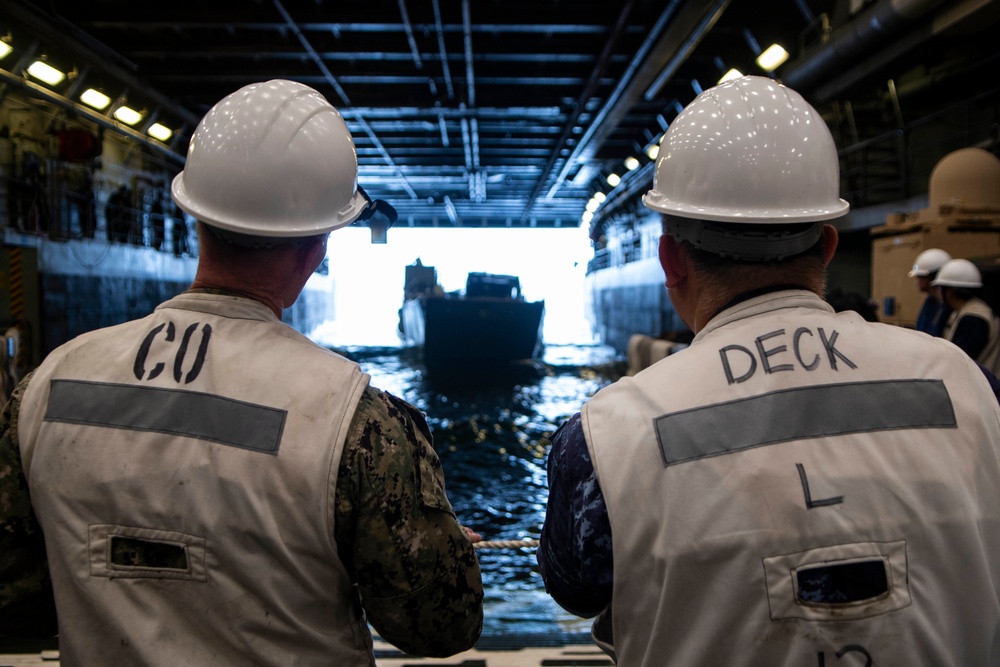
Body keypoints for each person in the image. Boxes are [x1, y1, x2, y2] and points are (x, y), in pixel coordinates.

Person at [0, 79, 483, 663]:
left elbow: (16, 600)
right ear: (318, 248)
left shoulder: (45, 387)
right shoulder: (357, 422)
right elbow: (440, 627)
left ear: (195, 218)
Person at [538, 76, 1000, 666]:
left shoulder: (605, 438)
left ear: (670, 259)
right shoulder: (972, 388)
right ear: (828, 245)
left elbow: (574, 587)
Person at [933, 257, 1000, 372]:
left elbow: (957, 359)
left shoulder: (973, 319)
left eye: (940, 287)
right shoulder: (966, 311)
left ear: (949, 291)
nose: (938, 292)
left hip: (979, 386)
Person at [909, 247, 952, 336]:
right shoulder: (930, 301)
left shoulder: (947, 306)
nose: (917, 281)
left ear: (933, 276)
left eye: (920, 276)